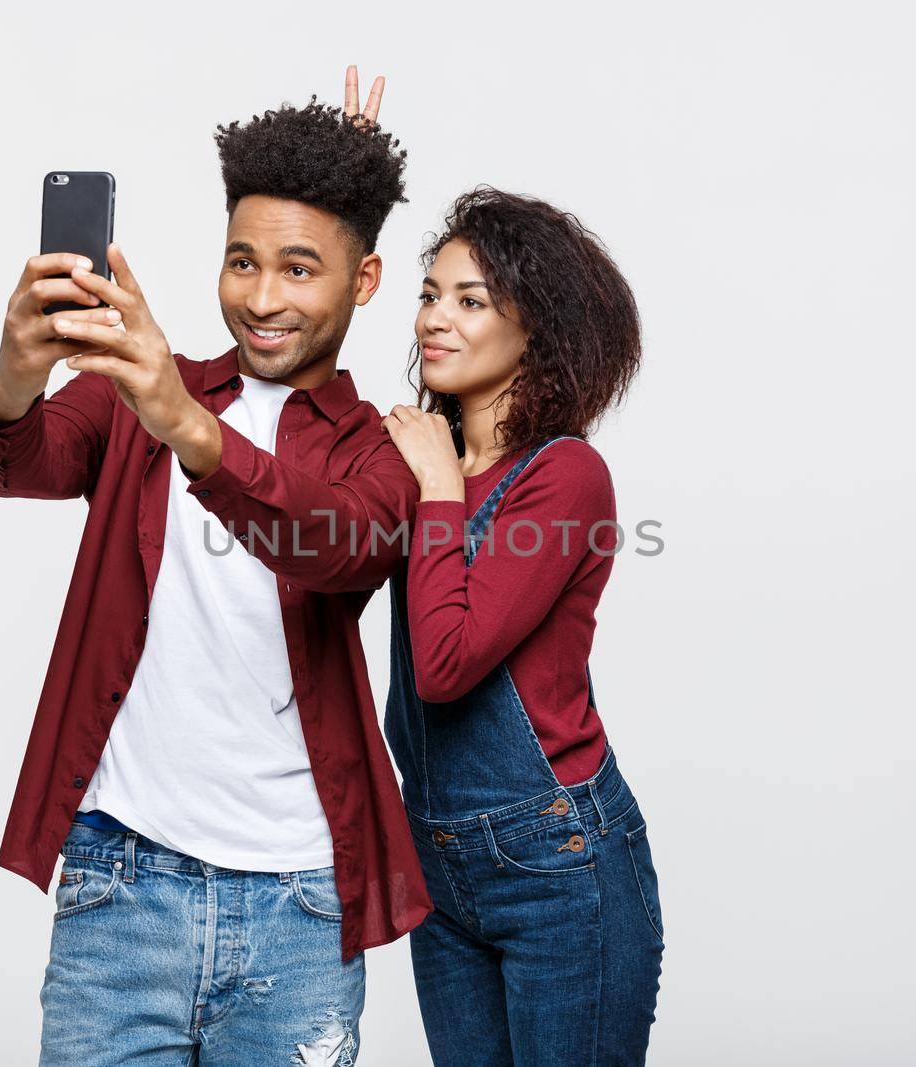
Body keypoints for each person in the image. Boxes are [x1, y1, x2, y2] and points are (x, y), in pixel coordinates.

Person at [0, 68, 432, 1066]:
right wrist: (19, 367)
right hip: (119, 883)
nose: (261, 298)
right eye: (241, 261)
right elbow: (20, 462)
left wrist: (185, 421)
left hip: (299, 905)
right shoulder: (146, 386)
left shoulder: (382, 447)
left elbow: (333, 545)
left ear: (366, 280)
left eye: (302, 268)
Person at [380, 187, 664, 1065]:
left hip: (559, 863)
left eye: (471, 301)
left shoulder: (565, 476)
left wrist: (434, 488)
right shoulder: (421, 456)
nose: (436, 318)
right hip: (436, 857)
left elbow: (447, 662)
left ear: (534, 332)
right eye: (430, 294)